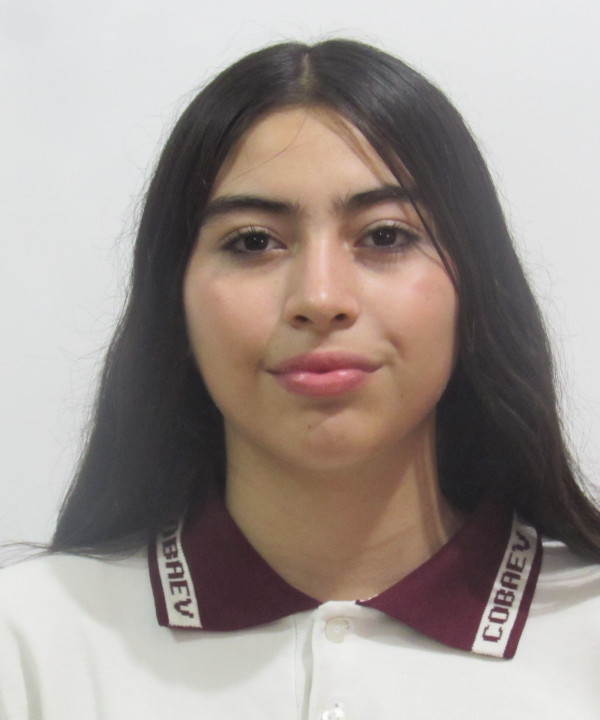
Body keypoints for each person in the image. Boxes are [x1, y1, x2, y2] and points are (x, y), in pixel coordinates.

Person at [1, 38, 599, 720]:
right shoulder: (29, 647)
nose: (320, 297)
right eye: (253, 241)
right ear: (175, 302)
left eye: (385, 235)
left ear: (476, 290)